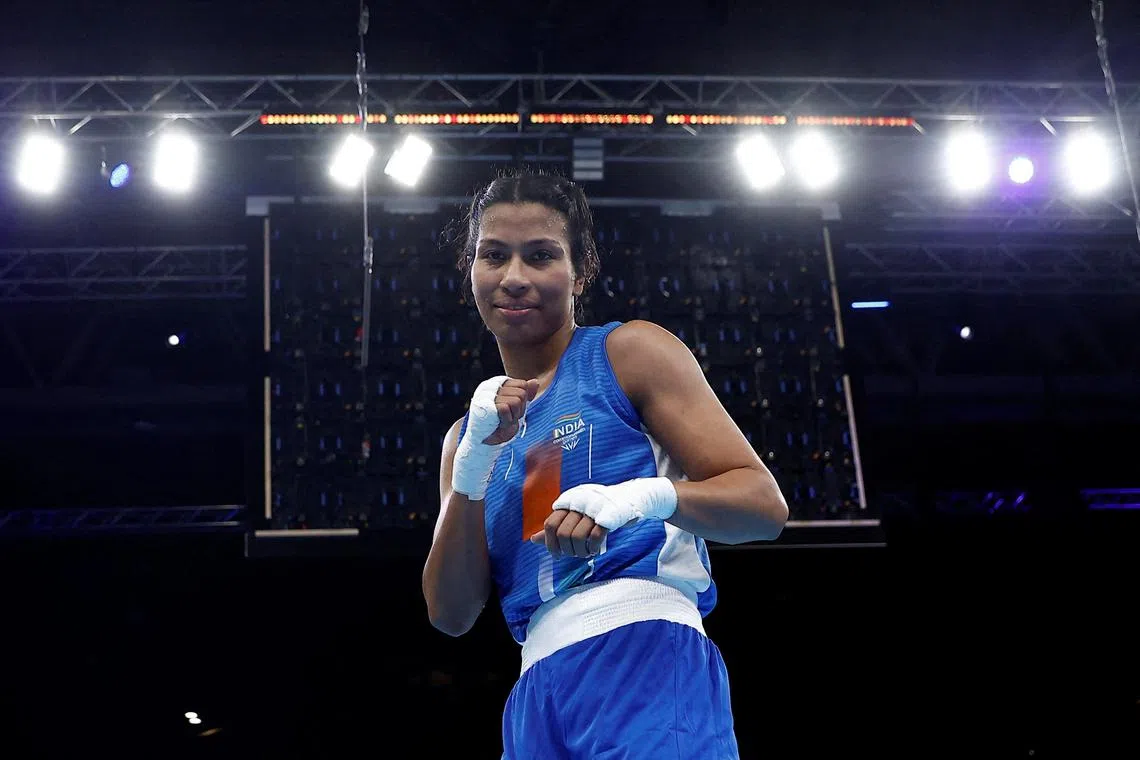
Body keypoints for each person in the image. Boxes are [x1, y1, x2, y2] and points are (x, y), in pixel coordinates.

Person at [421, 169, 789, 759]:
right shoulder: (467, 436)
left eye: (540, 255)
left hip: (644, 651)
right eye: (494, 255)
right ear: (471, 269)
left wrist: (641, 498)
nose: (514, 277)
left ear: (581, 270)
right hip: (535, 692)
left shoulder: (628, 353)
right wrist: (472, 465)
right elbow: (450, 614)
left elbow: (763, 507)